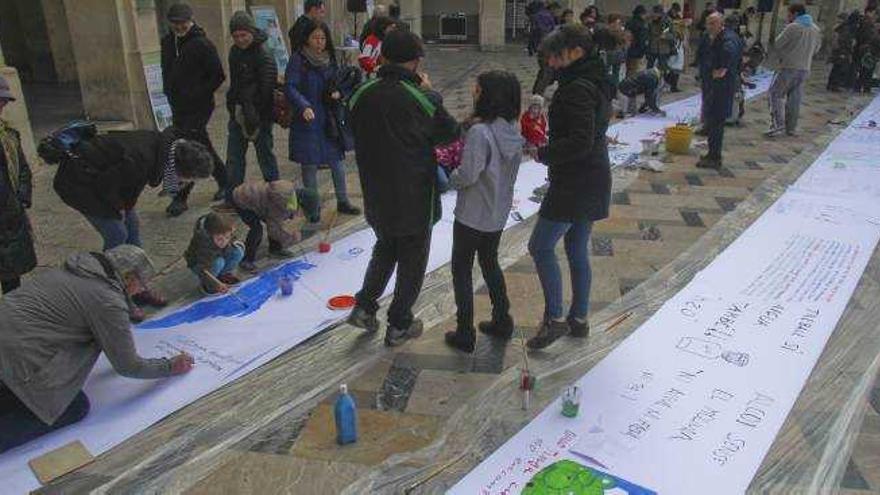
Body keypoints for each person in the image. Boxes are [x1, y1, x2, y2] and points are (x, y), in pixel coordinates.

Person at [0, 245, 194, 453]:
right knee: (74, 407)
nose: (142, 290)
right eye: (142, 284)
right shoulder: (107, 301)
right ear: (128, 278)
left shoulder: (76, 269)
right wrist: (169, 366)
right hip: (16, 358)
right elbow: (128, 366)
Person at [346, 30, 460, 347]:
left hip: (376, 192)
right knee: (412, 259)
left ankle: (364, 307)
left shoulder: (361, 93)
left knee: (385, 247)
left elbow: (349, 127)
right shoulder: (419, 97)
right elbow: (449, 133)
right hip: (413, 195)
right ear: (415, 61)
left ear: (382, 57)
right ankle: (399, 323)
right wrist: (432, 95)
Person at [51, 128, 214, 319]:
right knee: (117, 235)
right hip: (80, 185)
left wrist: (125, 207)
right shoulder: (142, 156)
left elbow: (129, 185)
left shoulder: (163, 151)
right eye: (188, 179)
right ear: (180, 169)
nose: (185, 183)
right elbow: (108, 184)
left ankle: (138, 286)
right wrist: (119, 207)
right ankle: (117, 294)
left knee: (133, 229)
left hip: (108, 184)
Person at [527, 24, 612, 350]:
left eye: (556, 57)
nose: (553, 64)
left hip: (576, 180)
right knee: (576, 247)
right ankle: (578, 318)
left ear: (576, 52)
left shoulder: (577, 87)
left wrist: (543, 153)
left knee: (541, 246)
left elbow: (579, 141)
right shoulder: (596, 77)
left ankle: (555, 319)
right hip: (593, 175)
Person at [444, 71, 523, 353]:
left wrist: (447, 177)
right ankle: (502, 318)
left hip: (472, 214)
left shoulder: (480, 132)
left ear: (488, 96)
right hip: (497, 212)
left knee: (462, 269)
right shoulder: (512, 128)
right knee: (490, 262)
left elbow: (468, 175)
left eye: (476, 90)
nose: (473, 93)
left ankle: (465, 331)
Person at [286, 19, 361, 221]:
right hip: (308, 119)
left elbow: (339, 81)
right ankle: (313, 207)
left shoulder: (330, 58)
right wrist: (303, 105)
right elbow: (290, 86)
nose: (319, 42)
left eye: (322, 38)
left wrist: (339, 93)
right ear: (307, 39)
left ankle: (343, 200)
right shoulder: (298, 60)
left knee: (336, 161)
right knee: (309, 164)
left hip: (328, 116)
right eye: (315, 38)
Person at [160, 3, 228, 213]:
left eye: (183, 23)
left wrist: (197, 92)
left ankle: (180, 197)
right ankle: (225, 180)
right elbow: (166, 69)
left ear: (191, 21)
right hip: (178, 106)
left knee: (184, 148)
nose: (179, 27)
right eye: (175, 23)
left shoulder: (202, 44)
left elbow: (218, 76)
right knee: (200, 144)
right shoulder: (168, 42)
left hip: (199, 107)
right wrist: (168, 91)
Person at [225, 12, 280, 202]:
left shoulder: (263, 54)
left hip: (259, 114)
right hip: (239, 111)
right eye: (236, 36)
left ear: (251, 32)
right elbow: (234, 83)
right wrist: (232, 106)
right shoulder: (234, 52)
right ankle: (231, 197)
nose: (240, 40)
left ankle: (277, 194)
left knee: (265, 156)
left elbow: (267, 89)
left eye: (243, 35)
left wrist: (255, 112)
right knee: (234, 158)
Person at [231, 180, 319, 271]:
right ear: (300, 203)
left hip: (259, 200)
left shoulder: (292, 196)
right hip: (241, 200)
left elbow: (275, 219)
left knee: (275, 223)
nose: (302, 215)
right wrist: (291, 238)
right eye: (303, 212)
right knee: (257, 229)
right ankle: (246, 260)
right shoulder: (282, 202)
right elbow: (273, 229)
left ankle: (275, 250)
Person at [0, 77, 35, 295]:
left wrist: (22, 196)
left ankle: (13, 316)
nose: (2, 105)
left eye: (4, 101)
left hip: (10, 213)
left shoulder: (9, 135)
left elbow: (22, 168)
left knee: (12, 273)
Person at [765, 4, 821, 138]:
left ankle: (778, 125)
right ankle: (791, 128)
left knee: (775, 94)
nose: (787, 17)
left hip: (789, 66)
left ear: (795, 14)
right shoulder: (815, 28)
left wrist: (784, 54)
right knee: (795, 98)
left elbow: (778, 44)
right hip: (805, 68)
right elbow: (817, 48)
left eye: (789, 14)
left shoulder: (793, 27)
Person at [696, 13, 738, 170]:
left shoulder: (727, 39)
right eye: (708, 23)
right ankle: (712, 154)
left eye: (713, 23)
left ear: (722, 24)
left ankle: (714, 157)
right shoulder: (714, 36)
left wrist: (722, 69)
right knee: (713, 120)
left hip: (721, 87)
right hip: (714, 85)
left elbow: (729, 53)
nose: (709, 27)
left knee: (716, 121)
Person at [184, 212, 245, 294]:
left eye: (227, 237)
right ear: (210, 235)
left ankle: (222, 275)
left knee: (237, 252)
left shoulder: (225, 230)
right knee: (218, 262)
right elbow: (203, 269)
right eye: (219, 239)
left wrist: (233, 243)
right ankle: (208, 285)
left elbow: (233, 240)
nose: (224, 241)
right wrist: (216, 284)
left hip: (217, 253)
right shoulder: (203, 242)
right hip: (199, 264)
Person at [530, 2, 559, 95]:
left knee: (543, 72)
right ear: (552, 8)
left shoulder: (540, 15)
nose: (557, 12)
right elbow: (545, 32)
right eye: (556, 10)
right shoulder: (546, 16)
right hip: (546, 48)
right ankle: (538, 94)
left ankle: (536, 91)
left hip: (542, 47)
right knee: (547, 73)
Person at [828, 12, 857, 92]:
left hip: (837, 50)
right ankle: (834, 85)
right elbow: (845, 40)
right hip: (842, 51)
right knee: (839, 68)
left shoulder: (838, 27)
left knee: (836, 67)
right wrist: (850, 46)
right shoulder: (845, 28)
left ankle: (831, 84)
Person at [854, 8, 878, 93]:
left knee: (864, 70)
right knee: (866, 71)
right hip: (868, 52)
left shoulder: (868, 25)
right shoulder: (868, 25)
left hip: (867, 51)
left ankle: (861, 87)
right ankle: (863, 87)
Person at [646, 5, 675, 71]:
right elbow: (648, 33)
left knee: (662, 68)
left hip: (664, 49)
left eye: (655, 14)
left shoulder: (667, 21)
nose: (653, 16)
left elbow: (673, 35)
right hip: (652, 48)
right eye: (652, 14)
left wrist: (666, 36)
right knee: (649, 68)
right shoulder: (650, 21)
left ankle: (661, 80)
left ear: (660, 14)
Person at [625, 5, 649, 77]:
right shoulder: (642, 24)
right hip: (637, 50)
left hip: (629, 49)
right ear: (641, 14)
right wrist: (644, 50)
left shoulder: (629, 22)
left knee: (629, 69)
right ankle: (630, 86)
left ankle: (626, 85)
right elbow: (642, 39)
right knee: (634, 71)